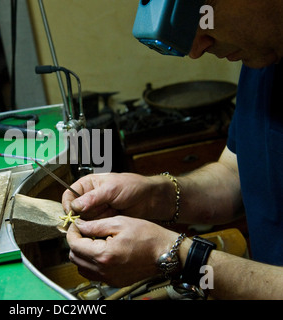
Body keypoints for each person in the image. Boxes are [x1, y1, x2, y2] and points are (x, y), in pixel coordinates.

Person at [62, 0, 283, 300]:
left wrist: (177, 256)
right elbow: (235, 176)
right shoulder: (262, 57)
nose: (196, 48)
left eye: (203, 7)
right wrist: (154, 194)